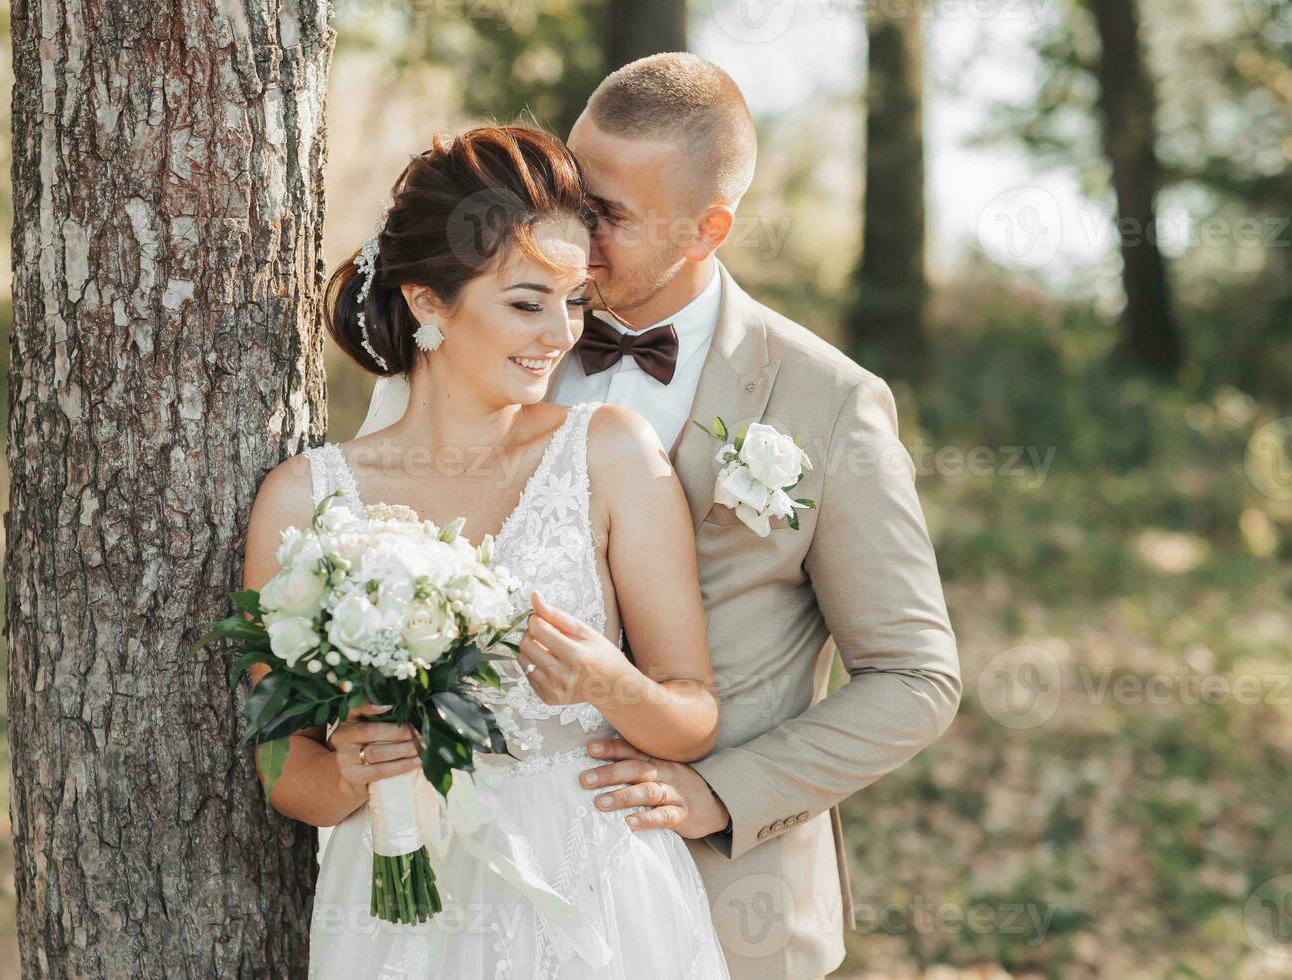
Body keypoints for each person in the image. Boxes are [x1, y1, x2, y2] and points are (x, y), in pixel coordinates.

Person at [358, 54, 962, 979]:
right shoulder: (491, 337)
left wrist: (721, 793)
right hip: (488, 887)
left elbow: (915, 677)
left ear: (706, 228)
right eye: (572, 191)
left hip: (729, 902)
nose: (571, 235)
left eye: (611, 219)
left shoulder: (828, 402)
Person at [245, 123, 733, 978]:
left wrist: (609, 684)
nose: (559, 333)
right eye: (525, 301)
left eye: (575, 299)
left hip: (592, 893)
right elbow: (282, 763)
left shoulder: (611, 455)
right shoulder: (304, 498)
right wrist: (351, 772)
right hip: (400, 897)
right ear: (430, 301)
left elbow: (693, 717)